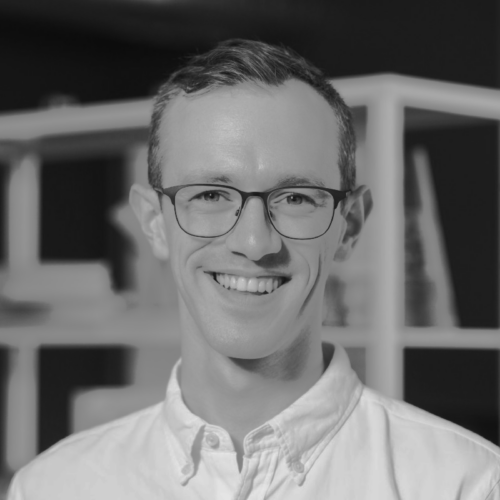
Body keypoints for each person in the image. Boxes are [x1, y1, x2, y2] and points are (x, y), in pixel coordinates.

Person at [8, 39, 500, 499]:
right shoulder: (55, 487)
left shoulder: (466, 484)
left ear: (348, 225)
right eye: (210, 195)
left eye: (296, 198)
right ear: (154, 224)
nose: (254, 242)